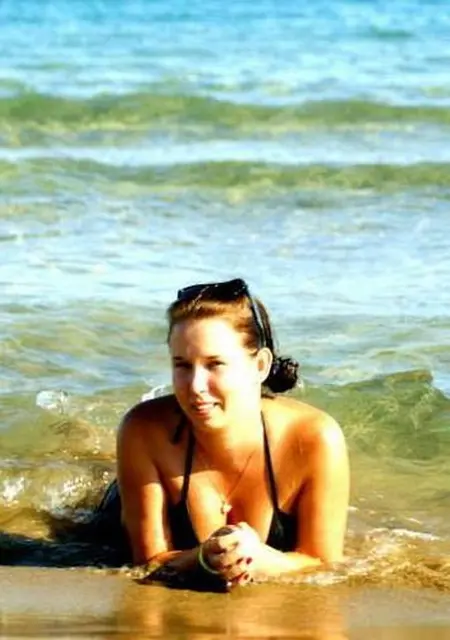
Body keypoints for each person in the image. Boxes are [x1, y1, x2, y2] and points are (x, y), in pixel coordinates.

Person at [117, 278, 350, 590]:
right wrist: (203, 559)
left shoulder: (315, 438)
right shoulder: (144, 430)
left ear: (260, 366)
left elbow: (324, 564)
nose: (195, 386)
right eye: (182, 365)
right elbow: (147, 563)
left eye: (215, 364)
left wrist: (259, 558)